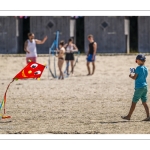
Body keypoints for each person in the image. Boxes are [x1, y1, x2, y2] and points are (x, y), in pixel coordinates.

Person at [121, 54, 150, 121]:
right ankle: (148, 116)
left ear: (139, 60)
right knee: (144, 102)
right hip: (145, 86)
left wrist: (131, 76)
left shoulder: (138, 68)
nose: (136, 61)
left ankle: (129, 116)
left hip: (139, 87)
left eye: (136, 60)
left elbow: (135, 77)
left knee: (134, 102)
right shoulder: (146, 68)